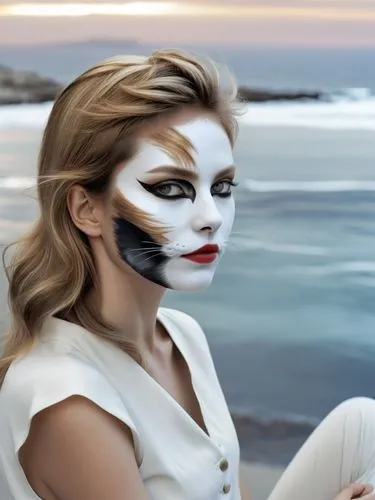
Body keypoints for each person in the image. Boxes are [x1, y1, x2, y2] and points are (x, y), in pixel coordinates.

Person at [0, 49, 374, 500]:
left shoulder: (181, 334)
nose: (211, 217)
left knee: (363, 424)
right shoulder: (69, 401)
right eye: (171, 188)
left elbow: (229, 490)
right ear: (86, 209)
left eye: (221, 187)